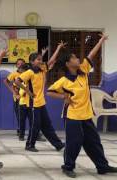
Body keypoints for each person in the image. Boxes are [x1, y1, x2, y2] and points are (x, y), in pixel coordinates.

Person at [47, 34, 117, 178]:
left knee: (94, 141)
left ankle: (102, 166)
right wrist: (63, 96)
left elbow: (91, 55)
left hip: (86, 115)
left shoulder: (83, 71)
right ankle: (68, 166)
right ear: (68, 63)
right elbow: (50, 92)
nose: (77, 59)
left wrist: (101, 41)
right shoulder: (64, 81)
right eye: (73, 58)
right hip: (72, 116)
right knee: (74, 142)